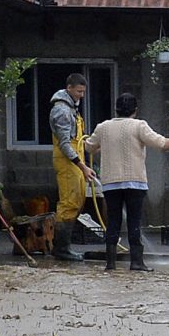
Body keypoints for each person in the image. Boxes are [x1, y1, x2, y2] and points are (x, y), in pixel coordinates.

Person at [88, 91, 169, 272]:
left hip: (110, 183)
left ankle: (110, 264)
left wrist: (102, 146)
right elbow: (161, 143)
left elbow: (89, 146)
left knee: (113, 221)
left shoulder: (103, 127)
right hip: (135, 183)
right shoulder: (139, 126)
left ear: (116, 109)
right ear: (135, 110)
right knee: (134, 221)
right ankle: (136, 262)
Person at [47, 73, 100, 260]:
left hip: (76, 162)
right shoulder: (62, 111)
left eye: (84, 92)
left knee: (77, 201)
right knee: (68, 203)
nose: (82, 95)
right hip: (67, 162)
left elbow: (78, 140)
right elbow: (64, 143)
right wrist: (82, 166)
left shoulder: (72, 108)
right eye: (79, 91)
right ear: (69, 88)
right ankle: (61, 249)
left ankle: (64, 247)